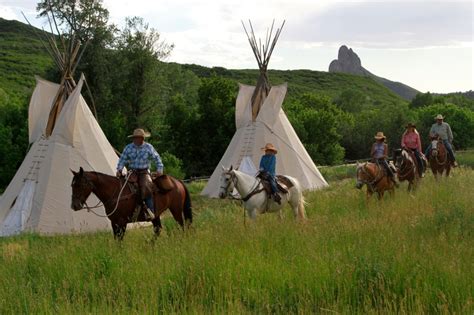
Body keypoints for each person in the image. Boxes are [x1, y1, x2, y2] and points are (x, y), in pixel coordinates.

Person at [116, 128, 164, 220]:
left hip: (144, 172)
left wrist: (159, 169)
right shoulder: (128, 147)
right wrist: (119, 169)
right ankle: (129, 211)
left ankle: (150, 211)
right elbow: (122, 159)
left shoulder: (148, 147)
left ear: (143, 138)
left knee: (146, 188)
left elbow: (157, 158)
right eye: (135, 138)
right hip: (132, 172)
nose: (137, 139)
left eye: (139, 138)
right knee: (123, 188)